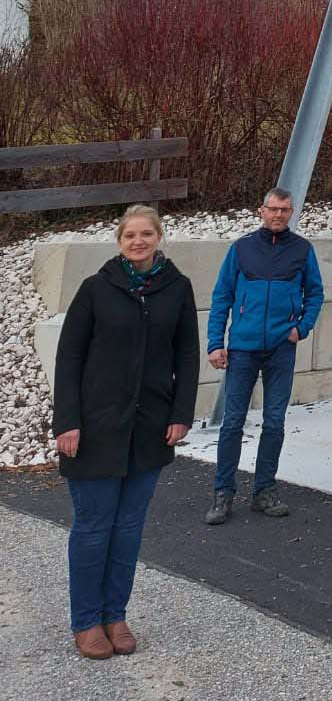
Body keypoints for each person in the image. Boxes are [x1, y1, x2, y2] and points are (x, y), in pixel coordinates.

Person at [52, 204, 199, 659]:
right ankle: (86, 621)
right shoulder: (96, 289)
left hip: (149, 428)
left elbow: (187, 357)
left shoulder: (177, 289)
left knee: (129, 527)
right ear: (119, 241)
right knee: (94, 526)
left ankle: (115, 614)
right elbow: (69, 358)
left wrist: (181, 414)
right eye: (129, 235)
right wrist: (67, 421)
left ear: (159, 237)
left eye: (146, 234)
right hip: (95, 427)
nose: (138, 241)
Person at [204, 187, 324, 524]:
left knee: (274, 422)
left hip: (281, 350)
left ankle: (264, 491)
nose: (278, 215)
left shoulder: (302, 250)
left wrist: (302, 328)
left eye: (285, 210)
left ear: (290, 213)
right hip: (242, 348)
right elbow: (221, 296)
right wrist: (216, 342)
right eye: (273, 209)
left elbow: (315, 293)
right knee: (232, 424)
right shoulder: (241, 249)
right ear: (262, 211)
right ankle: (223, 493)